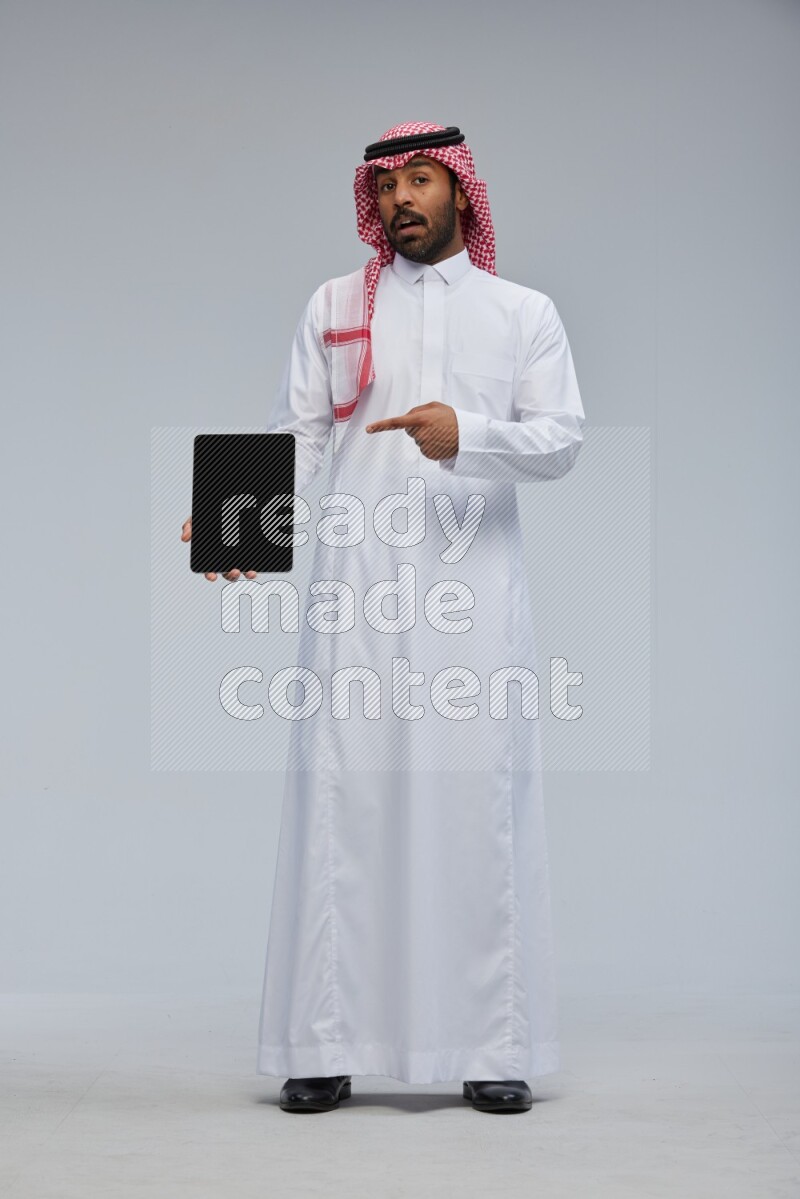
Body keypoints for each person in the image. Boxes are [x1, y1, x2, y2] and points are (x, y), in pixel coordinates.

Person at [182, 121, 585, 1114]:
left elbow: (559, 439)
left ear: (459, 194)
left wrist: (468, 433)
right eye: (387, 185)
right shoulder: (333, 306)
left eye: (420, 180)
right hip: (355, 590)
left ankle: (491, 1046)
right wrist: (237, 522)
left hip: (472, 604)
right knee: (342, 805)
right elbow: (301, 436)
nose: (402, 199)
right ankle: (322, 1044)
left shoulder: (521, 311)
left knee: (473, 808)